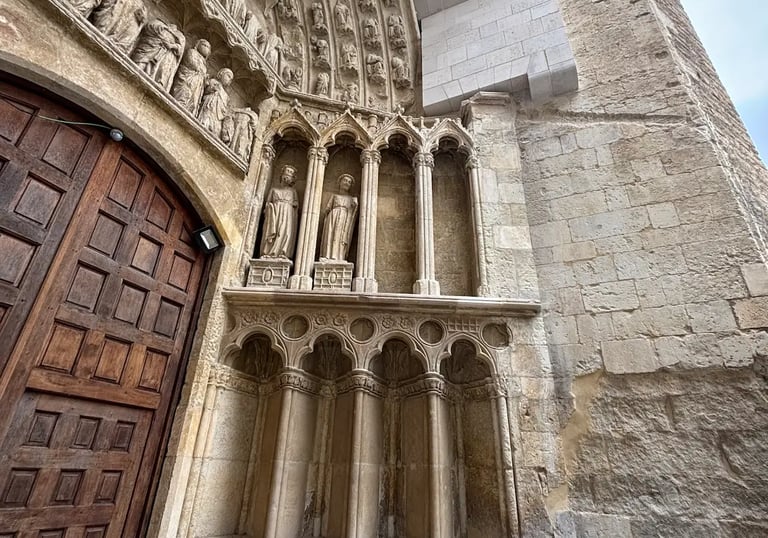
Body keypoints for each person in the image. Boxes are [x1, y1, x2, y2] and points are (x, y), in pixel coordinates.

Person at [131, 19, 186, 91]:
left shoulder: (180, 36)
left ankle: (156, 82)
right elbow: (149, 26)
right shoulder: (159, 23)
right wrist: (163, 31)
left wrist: (172, 45)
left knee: (160, 71)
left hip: (166, 54)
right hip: (153, 44)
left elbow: (180, 49)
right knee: (140, 62)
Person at [260, 165, 299, 259]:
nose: (287, 178)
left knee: (285, 232)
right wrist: (270, 207)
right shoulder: (274, 190)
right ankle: (269, 252)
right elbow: (267, 203)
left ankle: (283, 252)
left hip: (287, 215)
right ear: (281, 176)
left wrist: (291, 206)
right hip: (275, 213)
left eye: (290, 176)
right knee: (276, 231)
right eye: (285, 175)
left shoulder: (293, 191)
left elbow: (296, 205)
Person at [319, 174, 358, 261]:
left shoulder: (351, 198)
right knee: (330, 235)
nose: (347, 183)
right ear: (340, 183)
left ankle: (339, 257)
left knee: (341, 237)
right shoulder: (334, 196)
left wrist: (355, 206)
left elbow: (353, 214)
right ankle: (327, 255)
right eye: (345, 180)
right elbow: (327, 209)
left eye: (349, 182)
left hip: (344, 219)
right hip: (333, 217)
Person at [171, 39, 210, 115]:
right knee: (184, 94)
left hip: (197, 85)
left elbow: (202, 73)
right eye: (204, 45)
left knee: (193, 100)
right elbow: (191, 62)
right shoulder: (192, 52)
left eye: (208, 47)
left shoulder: (204, 63)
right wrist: (201, 70)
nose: (206, 48)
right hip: (188, 78)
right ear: (198, 44)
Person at [198, 68, 233, 141]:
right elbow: (203, 91)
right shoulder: (213, 81)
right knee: (205, 122)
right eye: (228, 76)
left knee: (214, 130)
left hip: (218, 116)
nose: (229, 79)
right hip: (209, 107)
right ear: (221, 74)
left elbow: (225, 109)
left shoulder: (226, 96)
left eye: (230, 79)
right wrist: (212, 88)